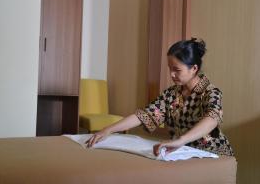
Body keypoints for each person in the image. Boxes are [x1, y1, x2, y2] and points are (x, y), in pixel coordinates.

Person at [86, 38, 234, 156]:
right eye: (170, 69)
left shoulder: (210, 92)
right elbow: (144, 115)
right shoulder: (171, 94)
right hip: (182, 152)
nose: (171, 74)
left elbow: (212, 118)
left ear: (194, 68)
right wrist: (108, 129)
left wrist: (181, 140)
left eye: (177, 70)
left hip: (212, 152)